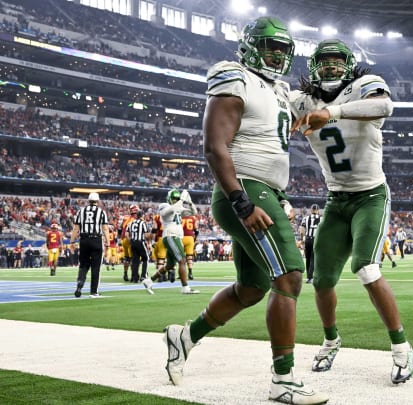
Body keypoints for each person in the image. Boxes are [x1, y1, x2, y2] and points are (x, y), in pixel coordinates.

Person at [162, 16, 328, 405]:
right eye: (270, 47)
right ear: (252, 46)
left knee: (252, 288)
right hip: (244, 189)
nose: (276, 55)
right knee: (289, 276)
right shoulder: (233, 77)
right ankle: (283, 379)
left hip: (263, 188)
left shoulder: (276, 89)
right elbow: (215, 146)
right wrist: (243, 201)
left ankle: (184, 337)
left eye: (282, 50)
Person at [290, 38, 413, 384]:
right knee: (322, 279)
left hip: (370, 195)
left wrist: (333, 112)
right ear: (313, 67)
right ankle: (331, 340)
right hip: (336, 199)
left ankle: (402, 347)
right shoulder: (301, 100)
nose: (330, 67)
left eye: (336, 61)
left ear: (349, 65)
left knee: (366, 267)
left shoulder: (364, 87)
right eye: (324, 62)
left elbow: (385, 107)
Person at [143, 189, 199, 295]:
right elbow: (172, 209)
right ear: (169, 199)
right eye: (174, 199)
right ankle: (185, 287)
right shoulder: (164, 206)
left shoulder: (178, 208)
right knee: (182, 261)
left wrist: (190, 202)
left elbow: (193, 212)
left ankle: (149, 280)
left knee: (169, 265)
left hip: (176, 237)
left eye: (176, 199)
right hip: (170, 236)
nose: (175, 201)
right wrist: (182, 200)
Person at [70, 192, 111, 298]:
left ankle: (80, 283)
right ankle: (93, 291)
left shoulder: (81, 211)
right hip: (96, 240)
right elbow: (105, 228)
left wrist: (72, 242)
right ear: (97, 201)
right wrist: (108, 243)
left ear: (88, 201)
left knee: (83, 264)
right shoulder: (101, 212)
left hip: (84, 240)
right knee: (96, 267)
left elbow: (76, 228)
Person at [126, 205, 151, 283]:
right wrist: (149, 242)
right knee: (145, 259)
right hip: (140, 242)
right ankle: (143, 276)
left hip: (133, 242)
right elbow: (146, 235)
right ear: (142, 215)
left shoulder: (131, 223)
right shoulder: (143, 223)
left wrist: (130, 241)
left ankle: (135, 277)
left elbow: (127, 234)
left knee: (135, 260)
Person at [299, 203, 321, 284]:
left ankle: (308, 277)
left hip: (307, 239)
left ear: (311, 210)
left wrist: (302, 240)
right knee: (313, 258)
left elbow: (301, 230)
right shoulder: (321, 219)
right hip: (316, 240)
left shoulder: (306, 218)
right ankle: (310, 277)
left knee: (308, 258)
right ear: (318, 210)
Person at [181, 205, 199, 280]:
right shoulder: (193, 218)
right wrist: (195, 238)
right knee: (189, 257)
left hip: (181, 238)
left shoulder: (180, 218)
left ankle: (182, 273)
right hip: (190, 238)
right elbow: (196, 230)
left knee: (181, 257)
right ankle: (190, 273)